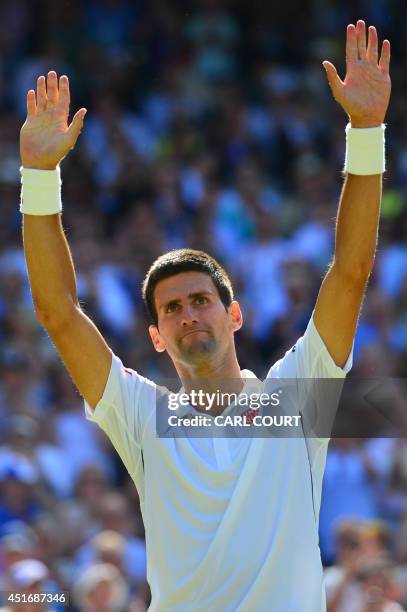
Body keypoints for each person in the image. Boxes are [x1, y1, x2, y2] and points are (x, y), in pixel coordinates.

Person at [19, 20, 391, 612]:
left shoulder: (298, 396)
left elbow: (350, 269)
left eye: (200, 301)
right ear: (156, 336)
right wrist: (39, 178)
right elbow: (57, 313)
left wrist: (366, 130)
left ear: (235, 315)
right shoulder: (140, 414)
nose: (188, 315)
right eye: (171, 309)